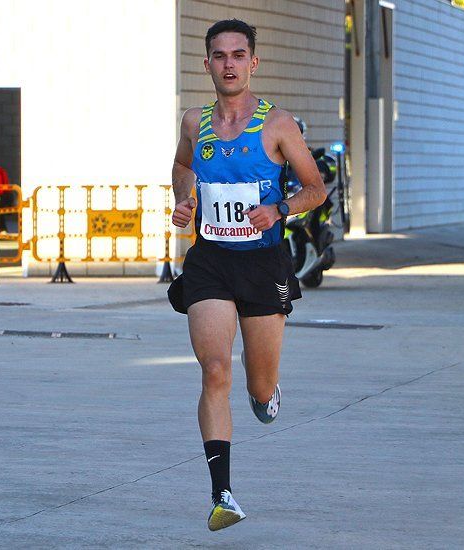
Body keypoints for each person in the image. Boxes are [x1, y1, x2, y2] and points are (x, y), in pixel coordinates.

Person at [167, 19, 326, 531]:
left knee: (258, 386)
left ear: (253, 63)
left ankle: (267, 394)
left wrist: (279, 209)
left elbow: (315, 189)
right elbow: (181, 166)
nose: (229, 63)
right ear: (207, 63)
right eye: (220, 55)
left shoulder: (277, 124)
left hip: (263, 263)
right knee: (215, 370)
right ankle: (223, 495)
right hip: (210, 259)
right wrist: (184, 199)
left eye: (239, 55)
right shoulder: (195, 121)